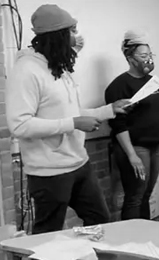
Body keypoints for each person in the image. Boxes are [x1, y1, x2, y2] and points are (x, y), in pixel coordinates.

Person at [5, 4, 130, 234]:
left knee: (99, 219)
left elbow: (71, 111)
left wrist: (109, 110)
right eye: (72, 31)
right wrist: (73, 124)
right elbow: (19, 124)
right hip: (49, 172)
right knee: (48, 233)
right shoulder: (27, 70)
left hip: (79, 163)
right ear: (57, 36)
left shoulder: (59, 67)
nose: (77, 38)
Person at [105, 30, 159, 220]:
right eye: (144, 56)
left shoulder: (153, 83)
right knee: (135, 197)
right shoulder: (119, 86)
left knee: (145, 195)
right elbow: (118, 125)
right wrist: (132, 155)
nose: (149, 59)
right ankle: (131, 240)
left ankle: (145, 235)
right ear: (130, 57)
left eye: (150, 55)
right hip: (135, 147)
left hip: (154, 146)